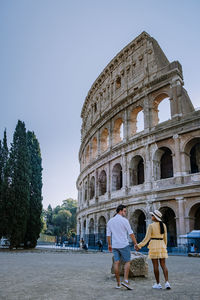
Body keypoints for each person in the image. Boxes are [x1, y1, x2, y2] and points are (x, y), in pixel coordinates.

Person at [135, 210, 171, 290]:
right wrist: (164, 246)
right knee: (163, 265)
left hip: (154, 245)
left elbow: (146, 238)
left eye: (152, 215)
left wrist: (139, 245)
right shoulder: (164, 225)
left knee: (155, 265)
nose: (151, 217)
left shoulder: (151, 226)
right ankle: (167, 282)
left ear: (155, 217)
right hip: (161, 244)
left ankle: (158, 284)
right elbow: (165, 238)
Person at [107, 204, 138, 290]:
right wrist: (135, 243)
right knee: (127, 262)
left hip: (115, 245)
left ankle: (118, 283)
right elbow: (131, 233)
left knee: (116, 263)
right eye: (124, 211)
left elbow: (108, 235)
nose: (125, 212)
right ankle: (125, 280)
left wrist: (109, 245)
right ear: (120, 211)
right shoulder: (124, 221)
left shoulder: (110, 221)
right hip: (124, 244)